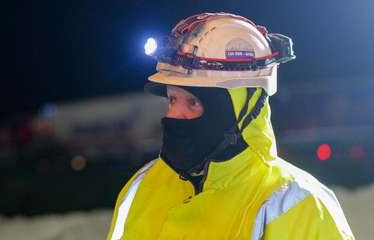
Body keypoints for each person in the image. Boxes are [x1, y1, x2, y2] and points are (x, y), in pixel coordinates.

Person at [107, 13, 354, 239]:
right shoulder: (144, 187)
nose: (175, 115)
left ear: (241, 109)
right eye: (172, 99)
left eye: (193, 102)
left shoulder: (297, 204)